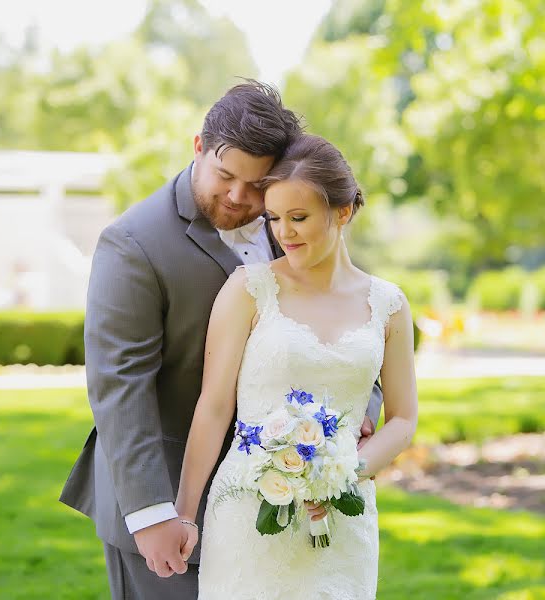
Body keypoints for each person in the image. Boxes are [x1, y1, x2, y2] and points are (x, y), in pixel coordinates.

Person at [59, 82, 384, 599]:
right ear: (198, 147)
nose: (238, 197)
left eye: (257, 185)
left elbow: (347, 319)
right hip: (166, 501)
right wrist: (153, 513)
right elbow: (120, 386)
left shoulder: (292, 218)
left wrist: (356, 407)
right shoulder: (133, 244)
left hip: (289, 503)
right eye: (225, 175)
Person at [174, 134, 419, 599]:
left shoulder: (388, 305)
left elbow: (404, 418)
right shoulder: (248, 289)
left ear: (343, 212)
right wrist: (186, 512)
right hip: (248, 516)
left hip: (343, 520)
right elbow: (214, 405)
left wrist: (347, 471)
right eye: (274, 218)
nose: (283, 232)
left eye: (299, 217)